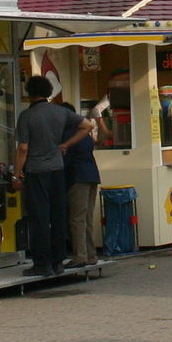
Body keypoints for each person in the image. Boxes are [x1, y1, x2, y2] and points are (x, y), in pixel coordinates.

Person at [14, 76, 85, 277]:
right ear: (48, 91)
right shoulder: (61, 112)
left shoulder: (27, 116)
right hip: (57, 169)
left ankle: (42, 263)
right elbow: (87, 126)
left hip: (36, 170)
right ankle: (58, 261)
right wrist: (66, 144)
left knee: (39, 217)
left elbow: (23, 148)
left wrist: (16, 174)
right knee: (58, 215)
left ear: (29, 92)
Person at [64, 107, 103, 267]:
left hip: (78, 177)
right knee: (87, 218)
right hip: (92, 175)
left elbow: (67, 159)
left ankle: (80, 256)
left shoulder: (69, 134)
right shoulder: (84, 134)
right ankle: (91, 255)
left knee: (77, 218)